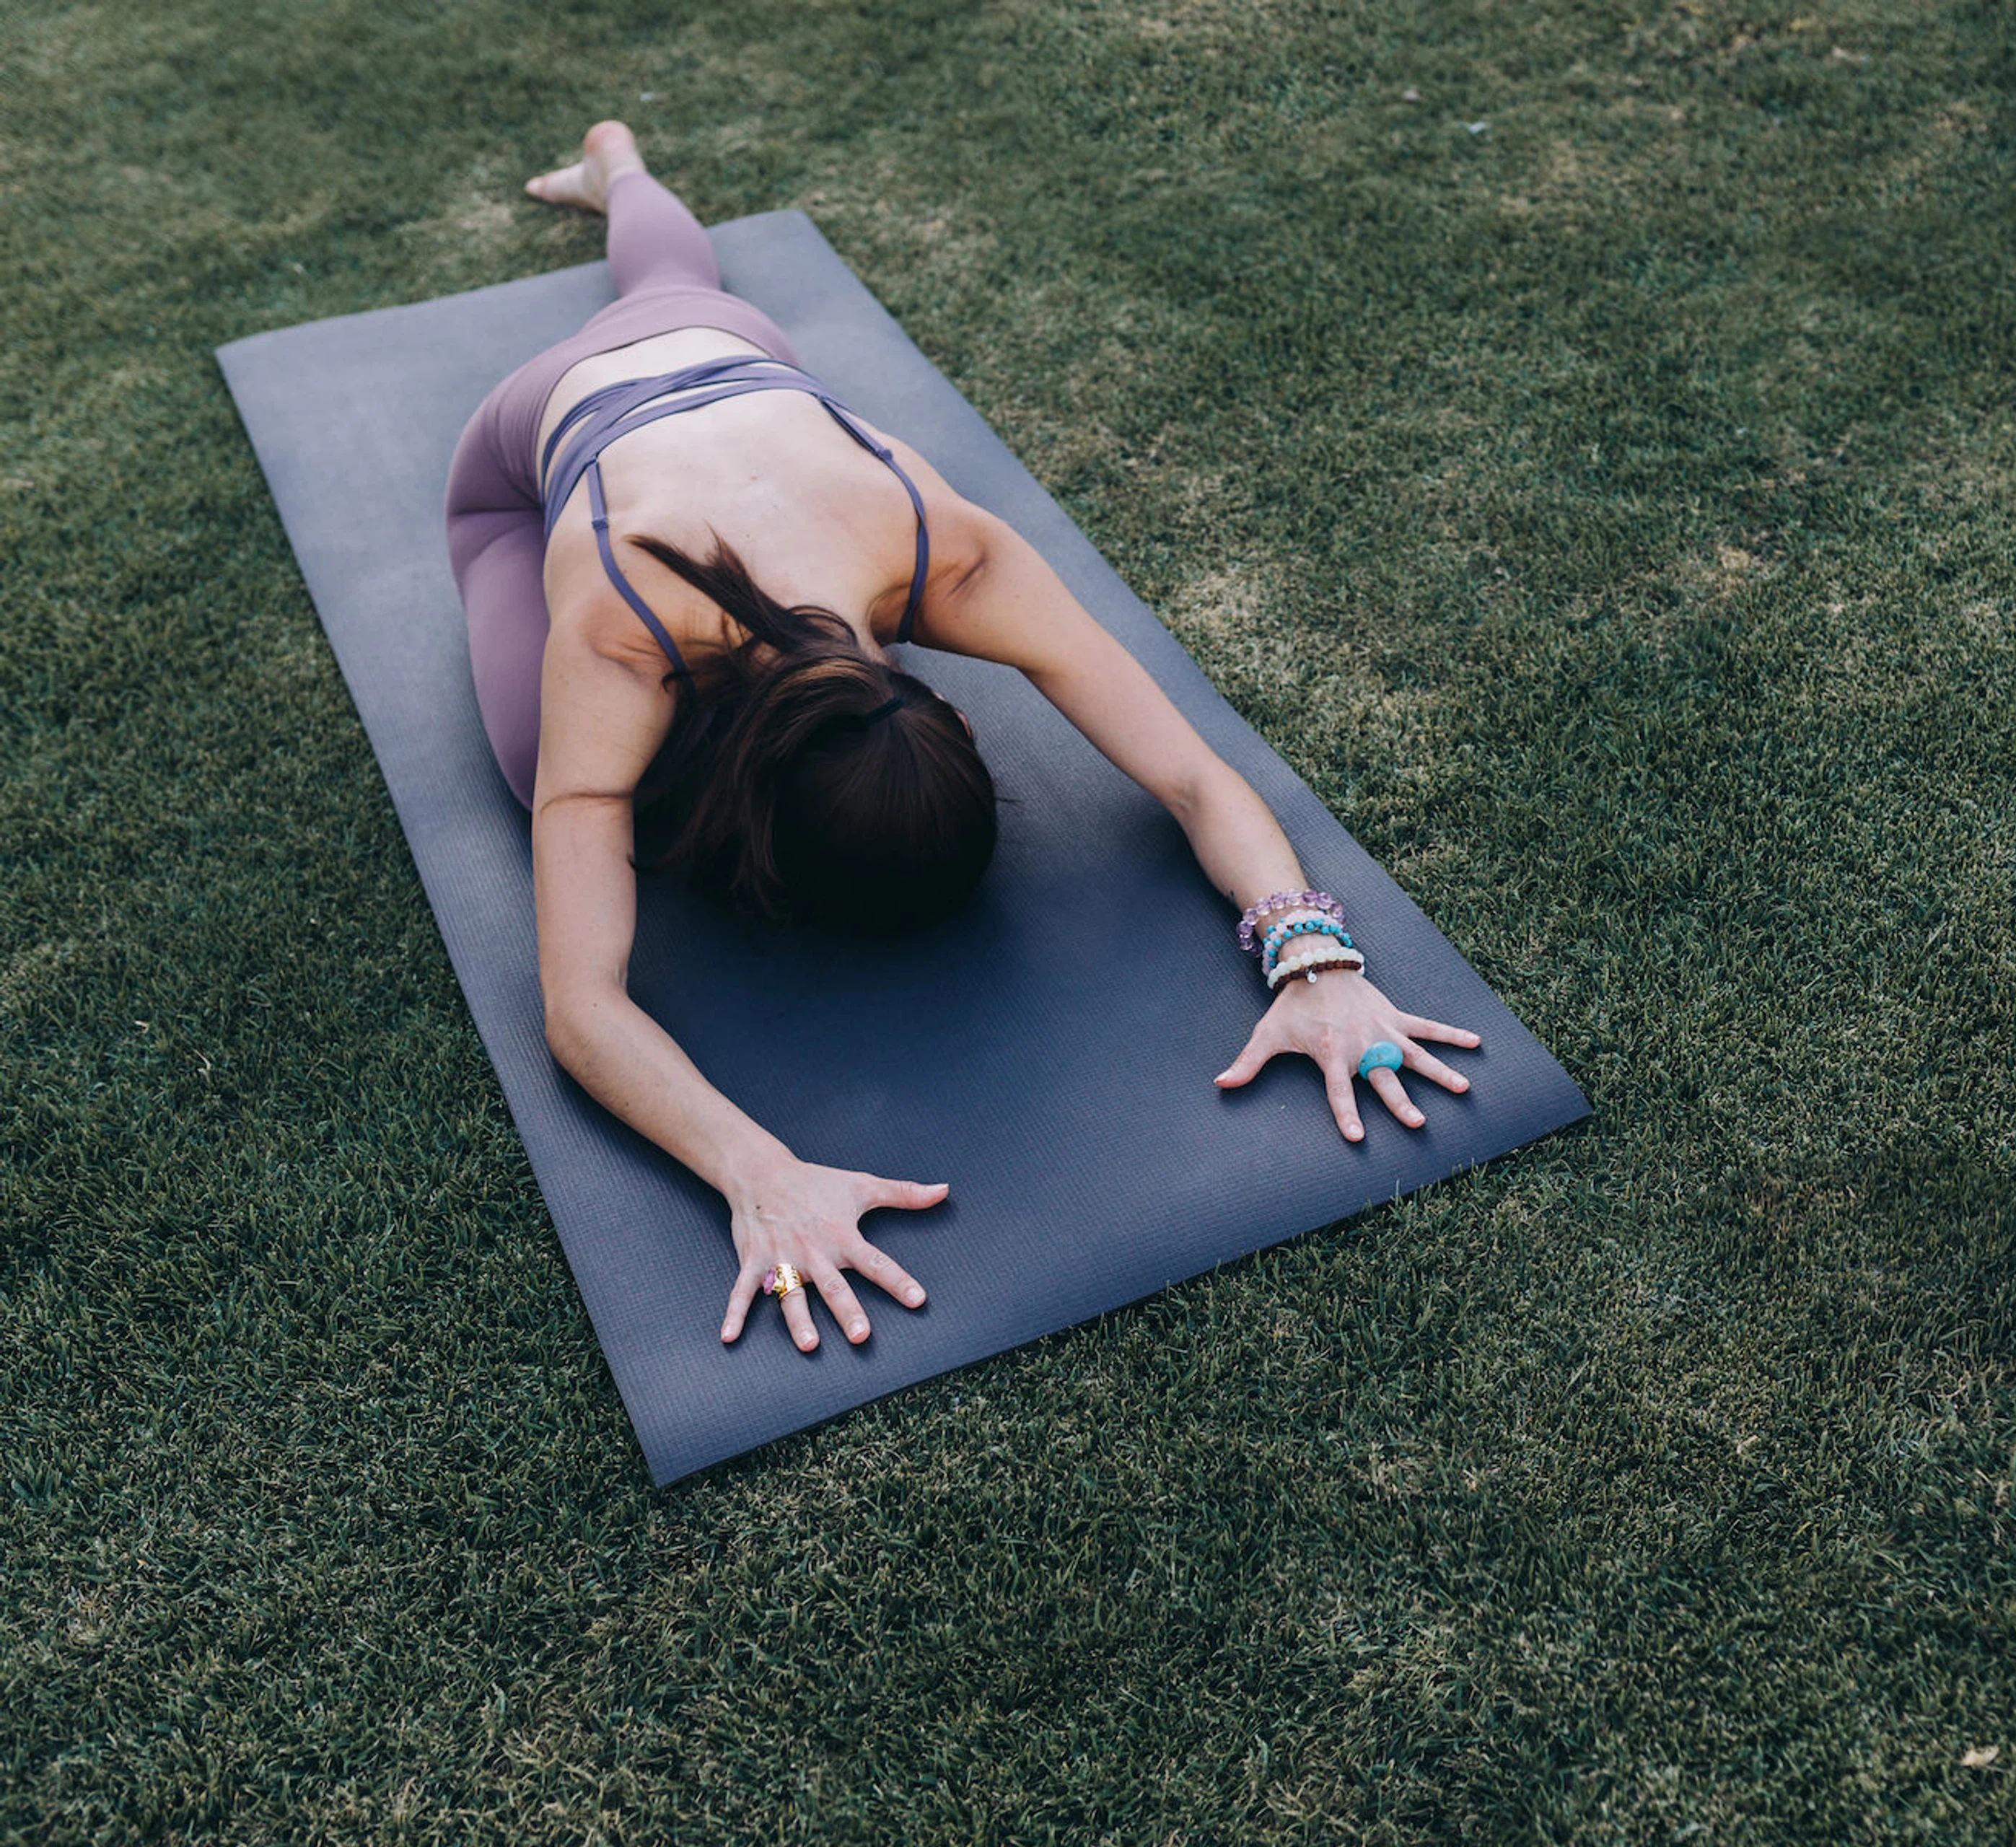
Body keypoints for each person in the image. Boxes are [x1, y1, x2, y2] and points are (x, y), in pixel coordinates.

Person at [444, 123, 1479, 1357]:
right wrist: (755, 1170)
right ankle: (614, 174)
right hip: (530, 451)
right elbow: (580, 1002)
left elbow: (1196, 774)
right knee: (545, 771)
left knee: (680, 285)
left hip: (738, 355)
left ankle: (617, 161)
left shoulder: (957, 555)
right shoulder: (622, 630)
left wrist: (1317, 960)